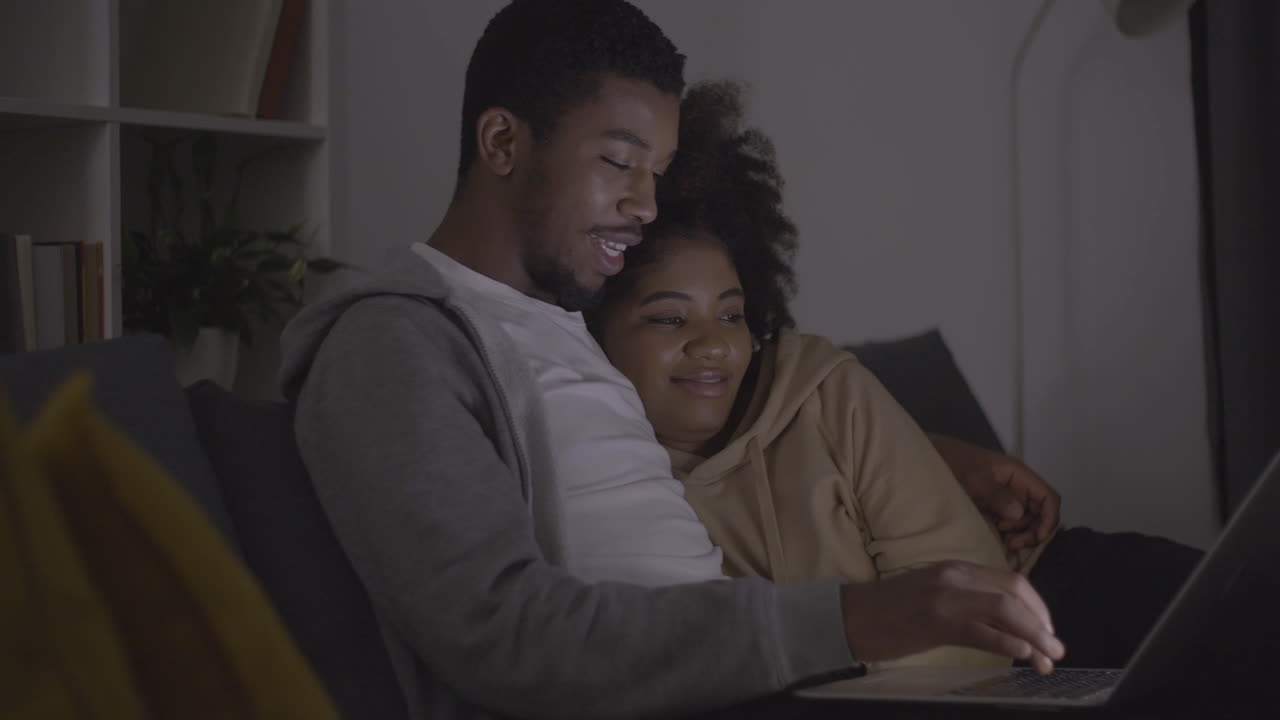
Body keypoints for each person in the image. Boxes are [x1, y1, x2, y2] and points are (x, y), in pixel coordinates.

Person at [278, 2, 1062, 718]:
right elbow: (505, 636)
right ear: (503, 142)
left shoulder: (576, 324)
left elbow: (735, 421)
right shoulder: (391, 344)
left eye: (656, 172)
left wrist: (935, 457)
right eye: (619, 163)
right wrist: (858, 618)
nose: (646, 206)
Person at [588, 79, 1203, 672]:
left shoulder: (825, 390)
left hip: (1049, 596)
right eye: (668, 318)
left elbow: (977, 623)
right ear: (592, 332)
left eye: (731, 313)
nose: (713, 345)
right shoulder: (608, 489)